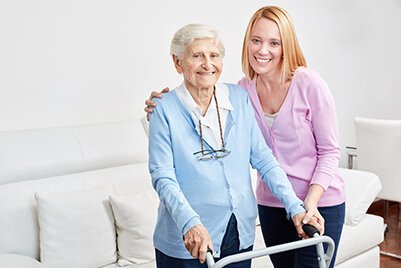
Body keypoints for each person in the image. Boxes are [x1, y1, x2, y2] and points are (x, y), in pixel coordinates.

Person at [145, 6, 345, 268]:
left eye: (214, 55)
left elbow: (263, 158)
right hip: (189, 238)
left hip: (246, 229)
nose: (208, 64)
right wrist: (190, 222)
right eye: (197, 56)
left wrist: (297, 206)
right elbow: (163, 176)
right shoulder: (172, 108)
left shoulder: (239, 98)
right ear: (178, 62)